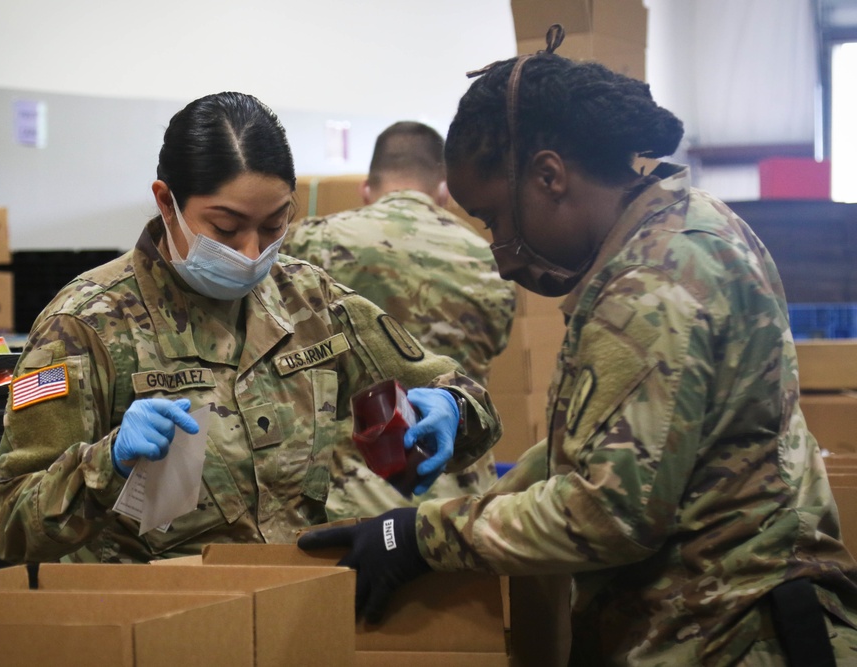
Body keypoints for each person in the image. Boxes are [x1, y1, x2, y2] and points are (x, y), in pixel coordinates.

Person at [299, 29, 857, 665]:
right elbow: (609, 442)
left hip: (734, 636)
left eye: (495, 220)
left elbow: (608, 512)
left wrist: (422, 536)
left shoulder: (653, 285)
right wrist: (480, 498)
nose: (500, 254)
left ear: (549, 176)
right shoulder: (682, 227)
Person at [0, 91, 501, 565]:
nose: (252, 253)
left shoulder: (309, 300)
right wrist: (105, 463)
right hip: (158, 618)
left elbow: (459, 393)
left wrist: (453, 408)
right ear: (167, 202)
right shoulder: (85, 325)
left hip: (294, 607)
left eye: (274, 225)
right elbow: (9, 524)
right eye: (226, 229)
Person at [282, 121, 516, 516]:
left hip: (352, 494)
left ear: (366, 189)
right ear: (444, 191)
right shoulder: (491, 259)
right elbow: (493, 349)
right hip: (458, 497)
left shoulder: (313, 241)